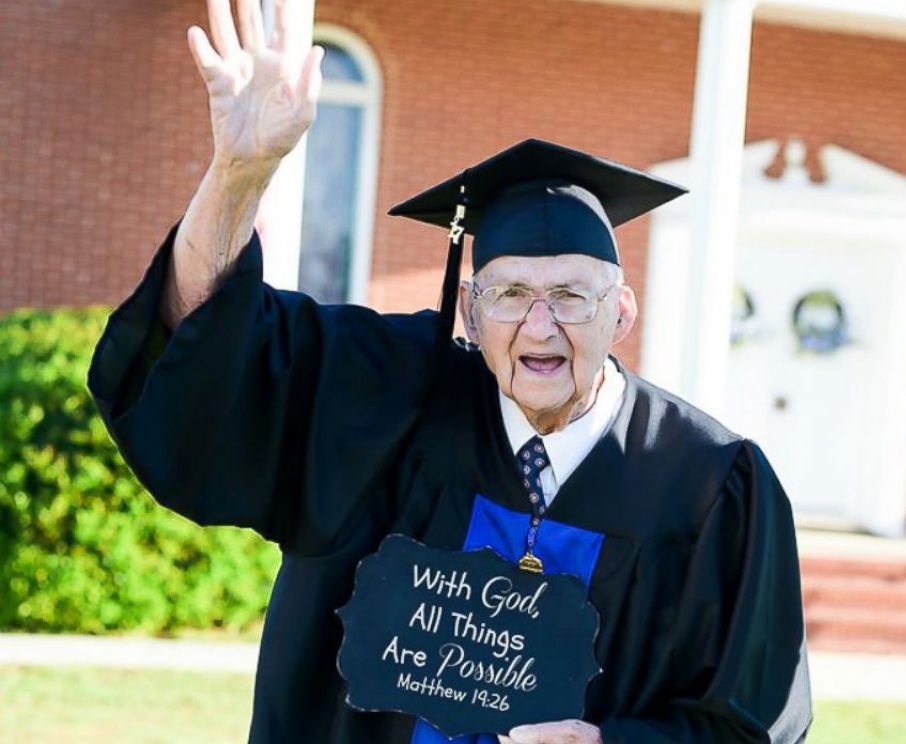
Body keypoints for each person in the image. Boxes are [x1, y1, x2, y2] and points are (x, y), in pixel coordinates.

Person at [87, 1, 813, 742]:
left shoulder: (709, 484)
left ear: (621, 314)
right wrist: (239, 177)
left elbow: (754, 724)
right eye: (509, 295)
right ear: (468, 312)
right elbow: (215, 358)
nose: (540, 325)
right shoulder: (386, 398)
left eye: (570, 296)